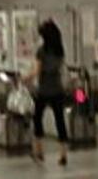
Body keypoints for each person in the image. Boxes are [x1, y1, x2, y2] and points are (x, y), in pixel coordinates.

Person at [27, 19, 68, 166]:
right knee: (60, 121)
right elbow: (60, 68)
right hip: (58, 89)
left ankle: (39, 151)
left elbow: (37, 71)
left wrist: (25, 78)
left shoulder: (41, 51)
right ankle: (63, 154)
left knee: (37, 118)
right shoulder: (60, 50)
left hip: (44, 90)